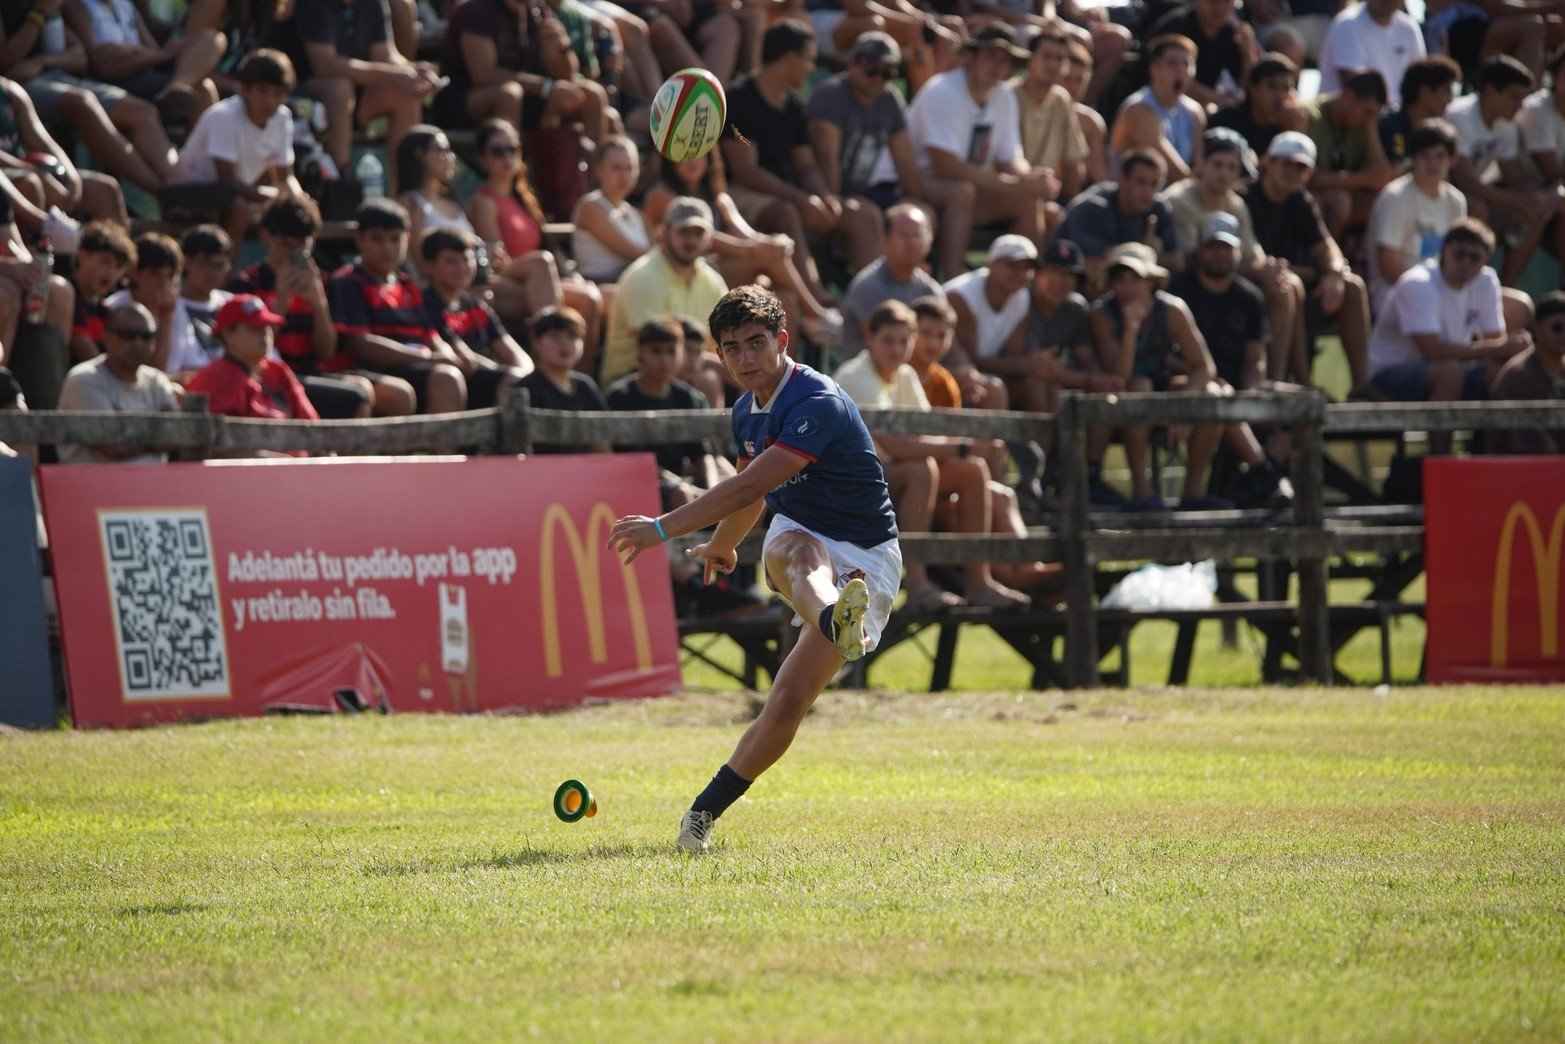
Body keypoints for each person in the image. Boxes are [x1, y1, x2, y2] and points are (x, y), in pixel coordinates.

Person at [607, 285, 902, 854]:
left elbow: (747, 486)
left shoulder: (816, 400)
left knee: (788, 700)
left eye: (756, 343)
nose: (746, 358)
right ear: (719, 354)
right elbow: (752, 495)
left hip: (869, 556)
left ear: (782, 341)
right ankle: (834, 618)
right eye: (732, 347)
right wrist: (723, 544)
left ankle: (702, 812)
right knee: (797, 550)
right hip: (802, 539)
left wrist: (663, 528)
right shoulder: (745, 409)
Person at [835, 299, 1029, 611]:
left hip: (888, 478)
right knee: (921, 468)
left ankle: (980, 584)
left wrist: (953, 449)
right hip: (852, 487)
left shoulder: (905, 375)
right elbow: (898, 447)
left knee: (973, 469)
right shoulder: (856, 375)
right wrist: (962, 446)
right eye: (888, 340)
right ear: (869, 338)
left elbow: (926, 434)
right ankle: (918, 585)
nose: (896, 349)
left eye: (903, 341)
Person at [722, 20, 882, 288]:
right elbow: (747, 172)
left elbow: (805, 166)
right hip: (741, 192)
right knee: (787, 213)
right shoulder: (739, 99)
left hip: (787, 192)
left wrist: (823, 197)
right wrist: (801, 199)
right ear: (789, 58)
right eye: (809, 59)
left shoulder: (794, 104)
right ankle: (817, 299)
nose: (811, 68)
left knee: (861, 214)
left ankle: (879, 298)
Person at [808, 31, 970, 281]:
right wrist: (836, 209)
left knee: (920, 213)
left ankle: (937, 284)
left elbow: (906, 163)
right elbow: (826, 161)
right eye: (872, 70)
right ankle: (884, 292)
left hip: (867, 192)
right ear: (853, 64)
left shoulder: (889, 98)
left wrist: (918, 203)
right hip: (825, 194)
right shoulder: (831, 96)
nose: (878, 79)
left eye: (888, 73)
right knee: (866, 215)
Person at [644, 143, 840, 346]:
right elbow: (709, 239)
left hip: (715, 270)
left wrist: (773, 244)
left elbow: (746, 234)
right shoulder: (662, 195)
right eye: (683, 156)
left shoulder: (718, 196)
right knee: (768, 257)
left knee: (785, 298)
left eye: (698, 155)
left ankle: (784, 363)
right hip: (685, 270)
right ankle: (817, 315)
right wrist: (759, 250)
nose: (691, 162)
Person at [1088, 241, 1232, 512]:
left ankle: (1193, 492)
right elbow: (1118, 376)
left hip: (1166, 391)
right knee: (1139, 386)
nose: (1127, 288)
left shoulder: (1173, 310)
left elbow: (1204, 367)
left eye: (1135, 280)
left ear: (1151, 281)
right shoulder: (1101, 314)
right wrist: (1130, 331)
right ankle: (1142, 492)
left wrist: (1183, 408)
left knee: (1212, 394)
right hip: (1119, 404)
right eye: (1120, 280)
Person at [1166, 213, 1297, 508]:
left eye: (1226, 248)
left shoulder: (1249, 297)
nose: (1220, 255)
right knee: (1219, 397)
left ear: (1238, 251)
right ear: (1199, 251)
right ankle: (1266, 475)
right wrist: (1206, 376)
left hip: (1235, 386)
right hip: (1192, 383)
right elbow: (1165, 356)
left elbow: (1255, 358)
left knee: (1307, 405)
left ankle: (1252, 483)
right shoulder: (1179, 291)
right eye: (1212, 247)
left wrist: (1251, 389)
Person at [1162, 128, 1305, 397]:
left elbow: (1252, 254)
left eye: (1232, 167)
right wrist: (1256, 270)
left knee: (1286, 284)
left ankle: (1271, 381)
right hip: (1188, 283)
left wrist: (1270, 269)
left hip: (1229, 282)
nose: (1224, 173)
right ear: (1201, 165)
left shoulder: (1236, 204)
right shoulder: (1178, 201)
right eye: (1218, 164)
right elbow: (1196, 260)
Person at [1367, 219, 1529, 453]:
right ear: (1444, 250)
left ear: (1485, 260)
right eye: (1459, 254)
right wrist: (1501, 347)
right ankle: (1441, 458)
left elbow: (1495, 341)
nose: (1465, 262)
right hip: (1387, 379)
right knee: (1449, 371)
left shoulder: (1486, 280)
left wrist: (1509, 350)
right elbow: (1433, 350)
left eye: (1474, 258)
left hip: (1448, 370)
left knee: (1502, 369)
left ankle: (1492, 453)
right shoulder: (1418, 283)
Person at [227, 194, 383, 420]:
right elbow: (254, 349)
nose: (292, 253)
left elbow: (325, 352)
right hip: (268, 376)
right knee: (356, 395)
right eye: (285, 244)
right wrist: (281, 303)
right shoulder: (246, 284)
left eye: (301, 245)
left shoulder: (325, 283)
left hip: (311, 372)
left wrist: (319, 305)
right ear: (266, 236)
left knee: (367, 389)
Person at [904, 22, 1058, 251]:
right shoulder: (944, 92)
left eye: (1004, 60)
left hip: (967, 189)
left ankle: (1026, 272)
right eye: (990, 55)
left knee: (1027, 198)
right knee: (961, 193)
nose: (997, 65)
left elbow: (1010, 158)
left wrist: (1032, 179)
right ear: (971, 57)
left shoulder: (1004, 96)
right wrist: (1010, 184)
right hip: (911, 188)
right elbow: (945, 167)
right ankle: (950, 274)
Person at [1244, 131, 1372, 393]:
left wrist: (1333, 273)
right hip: (1257, 287)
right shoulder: (1245, 197)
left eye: (1300, 167)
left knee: (1352, 286)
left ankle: (1361, 385)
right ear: (1269, 162)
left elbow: (1326, 246)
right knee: (1288, 286)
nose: (1292, 172)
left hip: (1297, 280)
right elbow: (1250, 260)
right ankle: (1281, 383)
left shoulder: (1301, 201)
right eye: (1286, 164)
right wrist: (1307, 272)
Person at [326, 198, 468, 415]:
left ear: (407, 240)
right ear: (360, 240)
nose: (387, 248)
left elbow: (430, 336)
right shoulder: (347, 282)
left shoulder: (407, 285)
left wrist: (448, 355)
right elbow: (360, 345)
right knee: (407, 390)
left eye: (395, 239)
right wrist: (428, 358)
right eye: (377, 239)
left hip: (410, 367)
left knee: (452, 375)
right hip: (366, 371)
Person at [467, 118, 601, 340]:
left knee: (591, 298)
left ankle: (575, 363)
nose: (507, 157)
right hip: (508, 278)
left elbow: (546, 245)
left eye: (512, 149)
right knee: (542, 262)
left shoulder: (523, 197)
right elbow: (497, 261)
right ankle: (549, 345)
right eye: (498, 152)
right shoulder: (484, 202)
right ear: (482, 159)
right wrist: (538, 268)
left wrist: (570, 276)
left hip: (539, 276)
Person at [279, 0, 437, 186]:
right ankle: (339, 185)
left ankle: (407, 190)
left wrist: (412, 72)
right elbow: (325, 64)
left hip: (357, 97)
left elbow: (385, 54)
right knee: (340, 88)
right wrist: (397, 75)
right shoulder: (314, 4)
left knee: (406, 92)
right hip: (308, 98)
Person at [1447, 56, 1564, 287]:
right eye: (1514, 96)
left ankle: (1504, 288)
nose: (1520, 105)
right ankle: (1470, 285)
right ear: (1490, 91)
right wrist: (1520, 201)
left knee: (1537, 210)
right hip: (1452, 195)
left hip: (1481, 194)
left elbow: (1512, 174)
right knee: (1477, 207)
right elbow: (1464, 181)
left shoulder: (1506, 120)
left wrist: (1538, 198)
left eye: (1523, 97)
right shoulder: (1460, 116)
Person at [170, 48, 299, 243]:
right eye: (263, 91)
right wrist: (277, 199)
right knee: (239, 208)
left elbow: (285, 176)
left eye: (278, 93)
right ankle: (227, 263)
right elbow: (227, 181)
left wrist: (299, 201)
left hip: (234, 195)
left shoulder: (282, 118)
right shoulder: (225, 116)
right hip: (187, 197)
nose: (270, 101)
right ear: (245, 90)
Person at [601, 196, 727, 386]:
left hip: (687, 369)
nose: (691, 240)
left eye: (698, 233)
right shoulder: (644, 277)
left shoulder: (712, 281)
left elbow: (721, 341)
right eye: (683, 232)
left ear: (710, 238)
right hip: (631, 380)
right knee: (708, 380)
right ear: (665, 233)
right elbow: (657, 349)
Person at [186, 294, 321, 455]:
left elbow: (313, 426)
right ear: (228, 334)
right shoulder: (217, 377)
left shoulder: (278, 370)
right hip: (256, 469)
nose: (265, 333)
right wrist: (281, 461)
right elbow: (218, 449)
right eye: (255, 327)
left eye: (267, 325)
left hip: (299, 465)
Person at [419, 228, 533, 410]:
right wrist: (511, 376)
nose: (461, 268)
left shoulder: (476, 306)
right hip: (455, 382)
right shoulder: (425, 305)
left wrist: (525, 375)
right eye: (451, 261)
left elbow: (514, 353)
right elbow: (461, 356)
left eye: (466, 259)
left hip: (488, 378)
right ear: (429, 266)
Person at [1364, 118, 1467, 312]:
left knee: (1517, 306)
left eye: (1440, 156)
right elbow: (1388, 267)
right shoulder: (1395, 197)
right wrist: (1435, 290)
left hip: (1442, 291)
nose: (1433, 163)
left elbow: (1457, 257)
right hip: (1393, 290)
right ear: (1413, 158)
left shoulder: (1456, 201)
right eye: (1425, 156)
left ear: (1452, 159)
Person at [56, 301, 179, 463]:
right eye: (128, 335)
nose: (138, 343)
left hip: (154, 478)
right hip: (95, 479)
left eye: (146, 336)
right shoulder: (84, 379)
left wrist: (133, 438)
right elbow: (113, 446)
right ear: (107, 337)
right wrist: (158, 438)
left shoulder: (157, 381)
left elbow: (178, 434)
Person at [62, 0, 222, 121]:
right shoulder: (77, 6)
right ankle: (174, 89)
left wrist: (130, 51)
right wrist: (155, 54)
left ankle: (176, 85)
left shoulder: (126, 5)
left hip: (147, 71)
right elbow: (101, 66)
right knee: (203, 88)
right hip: (119, 80)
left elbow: (154, 50)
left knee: (210, 38)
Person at [1053, 149, 1181, 281]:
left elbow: (1177, 260)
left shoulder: (1158, 208)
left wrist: (1155, 255)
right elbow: (1089, 265)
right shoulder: (1092, 208)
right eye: (1141, 182)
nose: (1148, 191)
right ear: (1122, 179)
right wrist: (1144, 252)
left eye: (1154, 184)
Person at [840, 201, 945, 360]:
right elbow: (887, 351)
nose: (912, 242)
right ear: (885, 241)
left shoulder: (932, 291)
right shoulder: (868, 287)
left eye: (918, 235)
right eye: (904, 235)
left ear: (929, 241)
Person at [1300, 70, 1396, 238]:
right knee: (1339, 202)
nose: (1369, 120)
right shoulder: (1307, 116)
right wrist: (1363, 179)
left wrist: (1371, 129)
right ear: (1348, 95)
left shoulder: (1364, 125)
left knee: (1383, 200)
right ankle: (1324, 251)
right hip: (1307, 194)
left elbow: (1381, 178)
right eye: (1367, 112)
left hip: (1337, 194)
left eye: (1375, 116)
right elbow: (1304, 178)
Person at [1110, 34, 1205, 183]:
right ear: (1154, 68)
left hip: (1180, 192)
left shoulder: (1195, 112)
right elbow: (1173, 172)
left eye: (1186, 64)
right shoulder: (1139, 109)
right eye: (1172, 63)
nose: (1180, 69)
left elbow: (1198, 165)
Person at [517, 305, 611, 454]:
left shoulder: (586, 387)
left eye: (572, 336)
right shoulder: (525, 389)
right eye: (555, 336)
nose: (565, 343)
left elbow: (602, 444)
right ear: (536, 342)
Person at [1010, 27, 1087, 205]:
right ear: (1030, 59)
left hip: (1047, 193)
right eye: (1046, 56)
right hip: (1014, 190)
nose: (1052, 64)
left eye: (1059, 58)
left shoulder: (1061, 99)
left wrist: (1072, 207)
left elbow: (1072, 162)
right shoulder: (1009, 96)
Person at [1487, 289, 1565, 455]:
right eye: (1557, 328)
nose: (1563, 334)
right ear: (1537, 328)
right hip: (1514, 465)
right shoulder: (1520, 375)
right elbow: (1536, 447)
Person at [1144, 0, 1257, 110]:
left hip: (1196, 108)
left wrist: (1247, 54)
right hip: (1155, 105)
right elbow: (1179, 81)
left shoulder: (1231, 32)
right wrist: (1222, 101)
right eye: (1211, 1)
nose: (1219, 7)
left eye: (1226, 1)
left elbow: (1247, 83)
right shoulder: (1176, 27)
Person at [571, 135, 652, 284]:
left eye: (630, 168)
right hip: (602, 286)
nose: (624, 176)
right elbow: (637, 254)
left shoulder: (638, 215)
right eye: (616, 167)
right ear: (599, 169)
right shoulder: (590, 206)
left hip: (633, 284)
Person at [1316, 0, 1425, 107]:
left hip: (1394, 115)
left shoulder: (1409, 27)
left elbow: (1420, 80)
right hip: (1357, 116)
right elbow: (1357, 91)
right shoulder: (1348, 24)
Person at [1208, 52, 1307, 158]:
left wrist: (1293, 132)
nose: (1280, 95)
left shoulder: (1286, 124)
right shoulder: (1227, 120)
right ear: (1253, 89)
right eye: (1272, 86)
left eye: (1286, 88)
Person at [66, 218, 133, 362]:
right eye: (105, 261)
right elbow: (84, 349)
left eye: (118, 266)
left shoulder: (103, 310)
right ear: (82, 256)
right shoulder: (68, 296)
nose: (111, 272)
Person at [1380, 56, 1460, 166]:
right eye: (1447, 90)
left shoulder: (1439, 130)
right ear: (1425, 92)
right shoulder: (1390, 126)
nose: (1450, 99)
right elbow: (1395, 169)